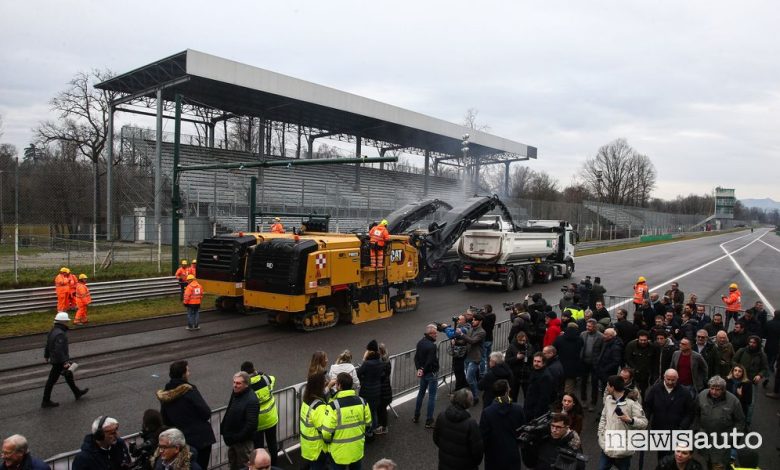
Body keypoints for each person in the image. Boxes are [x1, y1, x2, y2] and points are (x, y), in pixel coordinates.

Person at [156, 360, 215, 470]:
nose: (189, 373)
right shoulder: (189, 390)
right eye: (188, 371)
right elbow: (206, 412)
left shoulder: (165, 395)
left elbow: (165, 420)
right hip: (201, 440)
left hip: (182, 442)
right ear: (183, 374)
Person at [321, 373, 372, 470]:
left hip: (338, 452)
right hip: (357, 449)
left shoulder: (333, 406)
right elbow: (368, 424)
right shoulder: (362, 402)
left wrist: (328, 442)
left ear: (339, 385)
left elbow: (326, 432)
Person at [693, 376, 745, 469]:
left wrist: (730, 437)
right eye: (712, 388)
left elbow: (740, 421)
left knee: (719, 466)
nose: (713, 392)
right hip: (705, 439)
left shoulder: (733, 401)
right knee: (707, 462)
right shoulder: (702, 395)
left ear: (723, 389)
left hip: (722, 443)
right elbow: (696, 413)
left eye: (717, 390)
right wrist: (698, 429)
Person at [597, 375, 648, 470]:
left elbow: (644, 423)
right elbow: (603, 418)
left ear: (612, 387)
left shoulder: (632, 403)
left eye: (608, 385)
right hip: (607, 446)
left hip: (623, 450)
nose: (606, 388)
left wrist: (630, 420)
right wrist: (601, 435)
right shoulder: (608, 400)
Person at [643, 369, 694, 461]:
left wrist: (683, 427)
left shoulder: (684, 392)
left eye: (673, 380)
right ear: (664, 378)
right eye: (668, 379)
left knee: (676, 455)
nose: (670, 382)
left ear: (677, 379)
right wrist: (645, 422)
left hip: (677, 429)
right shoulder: (655, 389)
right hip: (659, 428)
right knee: (662, 455)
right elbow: (648, 407)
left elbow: (690, 412)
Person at [42, 311, 88, 408]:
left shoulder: (53, 331)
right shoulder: (60, 334)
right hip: (58, 361)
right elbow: (59, 350)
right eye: (66, 321)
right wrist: (65, 362)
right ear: (62, 322)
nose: (67, 323)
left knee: (68, 375)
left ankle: (77, 392)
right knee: (51, 380)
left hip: (55, 359)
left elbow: (48, 345)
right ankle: (45, 401)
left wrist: (46, 356)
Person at [238, 361, 279, 467]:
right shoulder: (266, 379)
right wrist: (261, 373)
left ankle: (259, 467)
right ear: (254, 369)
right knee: (272, 444)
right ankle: (273, 466)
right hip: (271, 418)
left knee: (258, 448)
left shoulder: (246, 387)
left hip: (257, 423)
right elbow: (273, 379)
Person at [432, 388, 483, 470]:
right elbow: (478, 452)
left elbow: (436, 439)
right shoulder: (471, 424)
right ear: (468, 404)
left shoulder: (441, 416)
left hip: (444, 464)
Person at [479, 380, 525, 470]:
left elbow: (483, 436)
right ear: (507, 391)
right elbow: (522, 431)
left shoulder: (487, 412)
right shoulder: (518, 409)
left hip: (493, 455)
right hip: (512, 453)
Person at [219, 372, 259, 470]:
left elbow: (251, 424)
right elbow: (229, 409)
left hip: (243, 443)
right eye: (234, 382)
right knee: (233, 464)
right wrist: (223, 427)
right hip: (233, 440)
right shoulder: (236, 393)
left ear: (246, 384)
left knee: (245, 466)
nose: (235, 385)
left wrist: (237, 437)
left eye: (238, 383)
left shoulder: (251, 400)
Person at [520, 412, 584, 470]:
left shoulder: (573, 444)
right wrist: (526, 447)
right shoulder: (543, 440)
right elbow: (530, 464)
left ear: (566, 428)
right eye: (552, 426)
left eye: (558, 427)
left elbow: (580, 466)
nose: (554, 430)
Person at [299, 372, 328, 470]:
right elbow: (325, 429)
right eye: (324, 381)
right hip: (318, 448)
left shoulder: (306, 401)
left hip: (308, 445)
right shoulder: (319, 406)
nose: (326, 382)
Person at [357, 340, 385, 437]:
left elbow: (358, 374)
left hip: (366, 390)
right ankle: (374, 428)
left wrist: (364, 360)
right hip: (377, 390)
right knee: (373, 411)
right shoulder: (380, 361)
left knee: (365, 411)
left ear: (369, 351)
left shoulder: (367, 363)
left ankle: (367, 431)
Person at [413, 324, 439, 428]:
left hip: (423, 373)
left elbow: (416, 358)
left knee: (421, 394)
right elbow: (430, 361)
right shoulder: (432, 346)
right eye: (435, 333)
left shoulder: (420, 342)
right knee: (432, 397)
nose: (436, 335)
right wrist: (424, 369)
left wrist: (419, 369)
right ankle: (429, 420)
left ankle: (416, 416)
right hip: (431, 373)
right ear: (430, 333)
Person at [457, 313, 486, 405]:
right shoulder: (471, 329)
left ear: (480, 322)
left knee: (469, 378)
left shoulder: (481, 332)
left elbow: (472, 341)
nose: (473, 321)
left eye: (475, 320)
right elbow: (465, 341)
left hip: (476, 358)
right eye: (473, 319)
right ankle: (475, 392)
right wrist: (456, 342)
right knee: (471, 377)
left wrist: (461, 334)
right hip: (468, 356)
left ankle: (475, 396)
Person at [554, 323, 584, 395]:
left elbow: (554, 349)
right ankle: (566, 403)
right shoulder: (580, 340)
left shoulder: (559, 338)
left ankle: (558, 402)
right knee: (569, 389)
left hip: (560, 365)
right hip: (573, 367)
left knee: (559, 386)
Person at [580, 318, 604, 411]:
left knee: (594, 383)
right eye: (587, 326)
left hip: (595, 364)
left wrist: (599, 361)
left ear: (595, 327)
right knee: (583, 382)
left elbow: (602, 350)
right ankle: (583, 400)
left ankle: (593, 402)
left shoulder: (601, 337)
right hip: (584, 362)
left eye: (589, 326)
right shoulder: (583, 334)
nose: (587, 328)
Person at [525, 352, 555, 420]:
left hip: (535, 410)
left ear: (544, 363)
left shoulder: (545, 376)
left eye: (538, 361)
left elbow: (544, 397)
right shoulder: (536, 370)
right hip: (530, 406)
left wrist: (537, 413)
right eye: (534, 361)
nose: (536, 363)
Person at [623, 330, 654, 396]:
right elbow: (628, 358)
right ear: (637, 339)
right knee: (631, 389)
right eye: (641, 340)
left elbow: (653, 359)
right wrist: (634, 368)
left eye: (645, 340)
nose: (643, 342)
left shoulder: (651, 347)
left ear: (648, 340)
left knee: (643, 390)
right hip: (633, 372)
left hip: (645, 373)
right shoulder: (631, 345)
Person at [506, 331, 534, 402]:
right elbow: (507, 360)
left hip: (526, 374)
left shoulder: (529, 346)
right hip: (515, 375)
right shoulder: (512, 347)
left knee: (527, 395)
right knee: (513, 395)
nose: (522, 342)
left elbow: (532, 358)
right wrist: (516, 358)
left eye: (523, 340)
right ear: (517, 339)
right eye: (520, 340)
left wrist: (527, 354)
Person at [596, 328, 623, 397]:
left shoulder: (615, 347)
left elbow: (616, 361)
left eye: (605, 334)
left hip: (608, 373)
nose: (603, 335)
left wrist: (604, 369)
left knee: (607, 391)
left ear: (611, 336)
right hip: (603, 370)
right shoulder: (607, 342)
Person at [376, 343, 393, 435]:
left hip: (383, 390)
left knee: (381, 409)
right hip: (386, 389)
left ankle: (384, 427)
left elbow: (381, 376)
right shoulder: (387, 360)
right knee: (382, 409)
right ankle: (382, 425)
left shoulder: (381, 363)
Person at [480, 304, 496, 376]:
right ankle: (489, 370)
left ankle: (482, 373)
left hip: (485, 339)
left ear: (486, 310)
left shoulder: (484, 318)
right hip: (490, 338)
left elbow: (483, 319)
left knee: (483, 357)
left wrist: (481, 313)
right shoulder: (493, 316)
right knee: (488, 356)